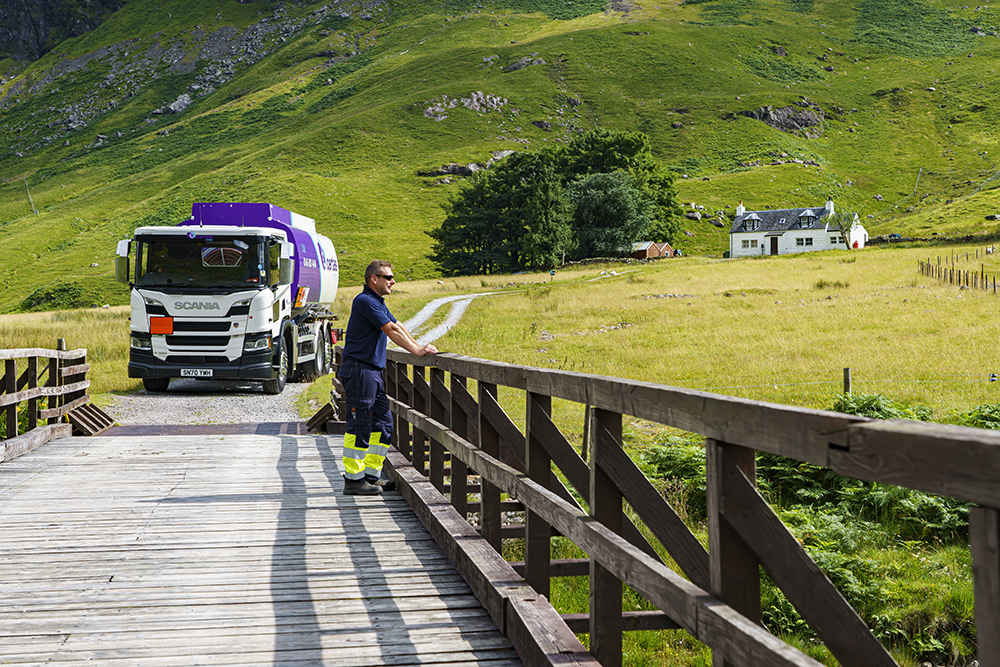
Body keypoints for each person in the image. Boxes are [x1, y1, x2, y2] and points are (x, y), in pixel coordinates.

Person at [339, 260, 438, 495]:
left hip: (372, 371)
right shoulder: (364, 301)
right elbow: (390, 331)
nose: (393, 281)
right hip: (360, 370)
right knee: (360, 424)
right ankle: (353, 480)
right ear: (374, 279)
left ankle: (372, 476)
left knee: (383, 423)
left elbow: (398, 325)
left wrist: (419, 346)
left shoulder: (376, 302)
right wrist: (416, 351)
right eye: (388, 277)